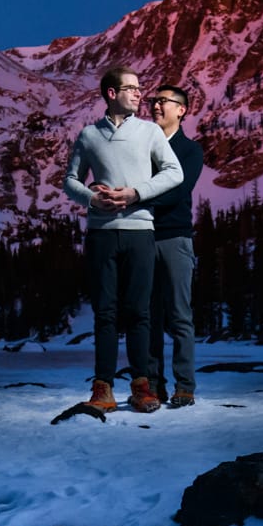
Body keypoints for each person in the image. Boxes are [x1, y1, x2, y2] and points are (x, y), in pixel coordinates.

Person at [63, 65, 186, 413]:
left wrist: (135, 193)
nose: (139, 94)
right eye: (131, 88)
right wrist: (90, 197)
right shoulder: (88, 136)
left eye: (139, 88)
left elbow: (173, 172)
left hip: (140, 231)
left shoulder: (149, 133)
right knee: (105, 312)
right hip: (101, 234)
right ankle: (103, 388)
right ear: (111, 93)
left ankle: (142, 386)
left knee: (139, 312)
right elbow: (69, 180)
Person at [146, 84, 203, 408]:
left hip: (175, 239)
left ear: (181, 110)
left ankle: (185, 387)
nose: (155, 106)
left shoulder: (190, 150)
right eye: (153, 101)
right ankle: (153, 386)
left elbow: (178, 190)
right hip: (144, 239)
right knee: (148, 316)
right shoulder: (144, 147)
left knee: (180, 315)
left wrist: (139, 198)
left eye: (163, 102)